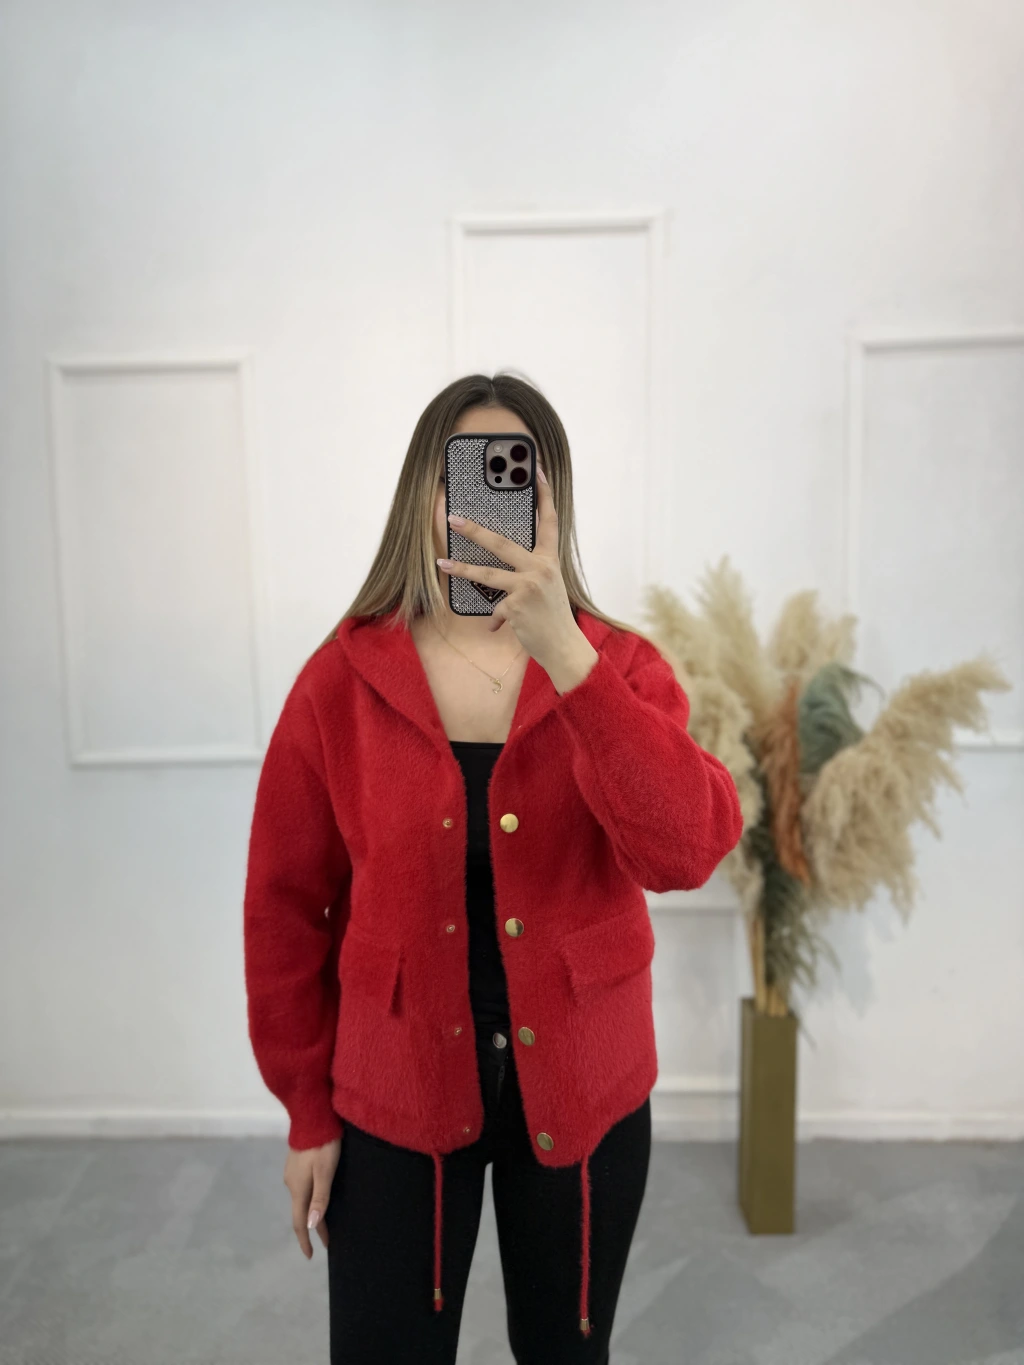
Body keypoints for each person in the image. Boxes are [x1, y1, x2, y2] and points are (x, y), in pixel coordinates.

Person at [242, 372, 744, 1364]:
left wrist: (568, 657)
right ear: (422, 497)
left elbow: (685, 850)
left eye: (513, 475)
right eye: (461, 476)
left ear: (550, 502)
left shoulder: (616, 667)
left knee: (567, 1352)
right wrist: (305, 1110)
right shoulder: (343, 678)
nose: (482, 502)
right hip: (393, 1086)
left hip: (585, 1084)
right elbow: (284, 906)